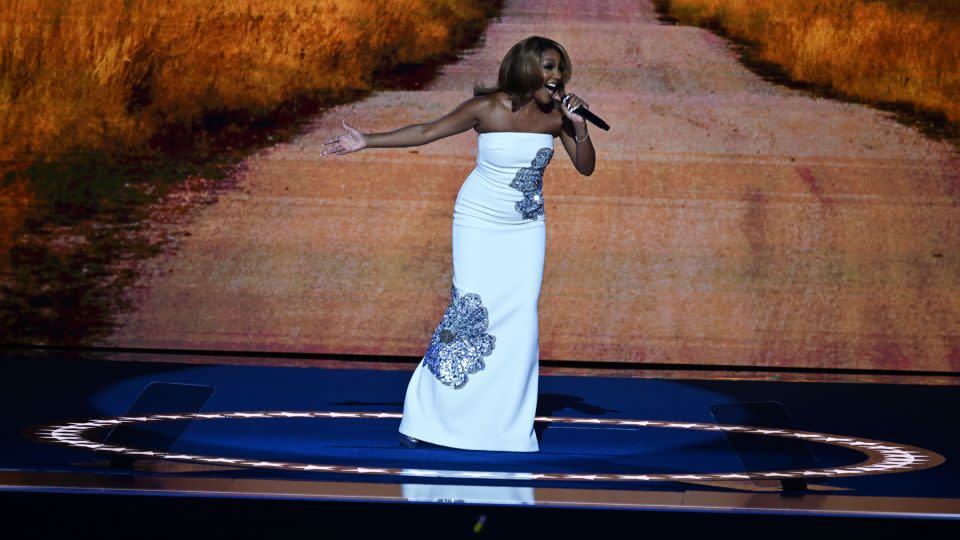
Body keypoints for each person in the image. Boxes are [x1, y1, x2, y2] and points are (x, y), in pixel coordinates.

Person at [322, 36, 596, 452]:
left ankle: (501, 424)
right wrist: (367, 140)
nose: (556, 76)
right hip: (478, 222)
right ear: (525, 68)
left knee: (520, 319)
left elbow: (586, 167)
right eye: (548, 66)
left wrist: (581, 128)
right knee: (468, 315)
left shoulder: (559, 117)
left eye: (560, 68)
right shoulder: (486, 107)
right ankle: (427, 417)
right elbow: (426, 131)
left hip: (526, 229)